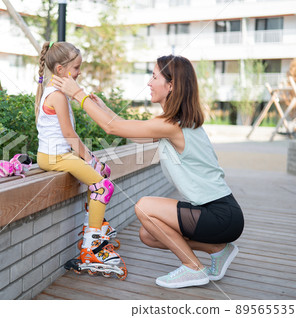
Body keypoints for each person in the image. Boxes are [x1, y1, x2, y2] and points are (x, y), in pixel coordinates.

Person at [52, 54, 245, 288]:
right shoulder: (175, 123)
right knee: (148, 234)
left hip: (220, 214)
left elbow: (111, 128)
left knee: (143, 206)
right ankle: (218, 250)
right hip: (218, 213)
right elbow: (130, 131)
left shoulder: (172, 125)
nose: (149, 83)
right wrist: (105, 109)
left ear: (171, 85)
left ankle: (193, 268)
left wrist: (77, 93)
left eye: (154, 77)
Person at [35, 41, 126, 277]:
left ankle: (94, 226)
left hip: (55, 155)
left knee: (99, 179)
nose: (79, 73)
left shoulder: (55, 93)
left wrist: (93, 161)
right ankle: (91, 246)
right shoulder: (57, 96)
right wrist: (92, 160)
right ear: (60, 71)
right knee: (102, 186)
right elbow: (69, 135)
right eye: (76, 68)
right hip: (56, 156)